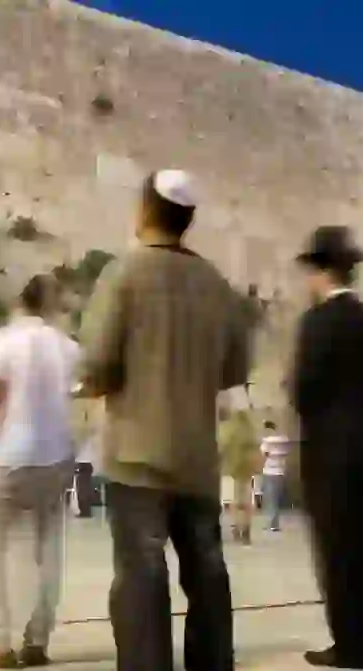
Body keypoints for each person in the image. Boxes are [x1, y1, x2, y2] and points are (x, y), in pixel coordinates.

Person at [77, 169, 251, 671]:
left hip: (137, 455)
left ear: (144, 210)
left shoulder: (124, 274)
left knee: (141, 576)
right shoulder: (219, 287)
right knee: (207, 574)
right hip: (197, 457)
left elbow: (95, 365)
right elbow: (233, 370)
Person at [292, 226, 363, 669]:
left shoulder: (317, 323)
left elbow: (304, 392)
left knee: (336, 552)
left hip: (331, 454)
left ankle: (347, 646)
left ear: (320, 271)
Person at [0, 275, 79, 668]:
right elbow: (84, 400)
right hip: (57, 456)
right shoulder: (68, 347)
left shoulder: (4, 341)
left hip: (14, 455)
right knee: (49, 546)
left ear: (20, 301)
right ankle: (38, 638)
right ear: (49, 307)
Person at [218, 395, 258, 545]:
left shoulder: (227, 428)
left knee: (234, 502)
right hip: (247, 471)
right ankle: (246, 530)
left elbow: (221, 447)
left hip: (231, 469)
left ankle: (236, 528)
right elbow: (255, 449)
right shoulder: (249, 430)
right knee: (246, 501)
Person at [259, 420, 291, 531]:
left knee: (269, 499)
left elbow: (264, 454)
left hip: (269, 471)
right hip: (280, 471)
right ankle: (274, 523)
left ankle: (272, 524)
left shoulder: (266, 442)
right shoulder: (283, 440)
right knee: (275, 499)